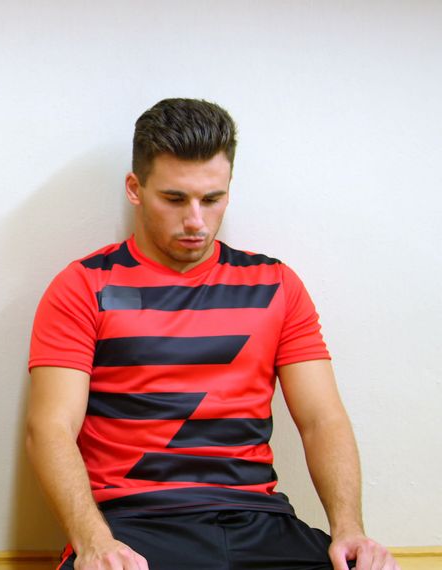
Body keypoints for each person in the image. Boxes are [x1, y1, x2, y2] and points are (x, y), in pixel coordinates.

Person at [26, 99, 398, 570]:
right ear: (135, 189)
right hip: (135, 524)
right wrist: (92, 540)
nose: (196, 221)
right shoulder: (84, 286)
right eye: (175, 199)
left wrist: (350, 530)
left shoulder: (275, 285)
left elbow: (322, 419)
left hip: (258, 520)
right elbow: (50, 429)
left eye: (212, 198)